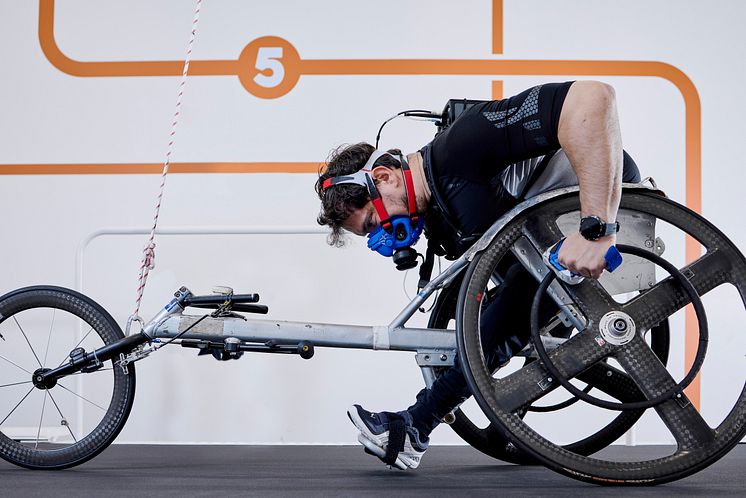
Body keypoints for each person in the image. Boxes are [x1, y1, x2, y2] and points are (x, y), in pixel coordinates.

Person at [314, 81, 641, 470]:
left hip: (589, 208)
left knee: (512, 303)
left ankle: (416, 426)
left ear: (383, 177)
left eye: (371, 223)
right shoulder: (442, 202)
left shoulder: (462, 145)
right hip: (544, 246)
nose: (382, 238)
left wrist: (597, 228)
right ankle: (417, 426)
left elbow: (594, 96)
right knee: (507, 305)